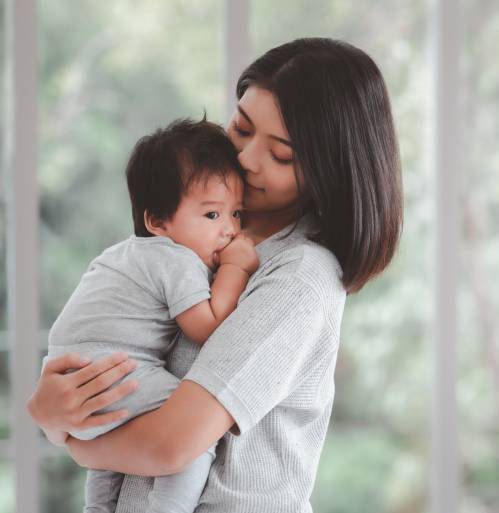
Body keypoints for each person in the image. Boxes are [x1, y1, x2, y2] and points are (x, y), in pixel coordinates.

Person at [27, 37, 403, 513]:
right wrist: (53, 411)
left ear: (330, 169)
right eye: (241, 128)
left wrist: (72, 441)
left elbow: (171, 445)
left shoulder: (299, 278)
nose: (245, 159)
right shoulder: (197, 240)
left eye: (281, 154)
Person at [43, 118, 260, 513]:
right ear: (157, 221)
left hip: (70, 370)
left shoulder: (123, 253)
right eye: (212, 215)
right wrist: (236, 269)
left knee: (115, 444)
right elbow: (207, 328)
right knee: (193, 435)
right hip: (112, 366)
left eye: (237, 215)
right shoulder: (175, 259)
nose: (230, 230)